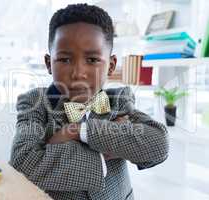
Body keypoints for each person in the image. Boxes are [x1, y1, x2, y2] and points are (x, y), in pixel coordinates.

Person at [10, 3, 169, 200]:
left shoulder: (118, 101)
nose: (78, 73)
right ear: (48, 64)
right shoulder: (35, 102)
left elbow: (158, 145)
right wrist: (109, 148)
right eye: (65, 60)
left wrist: (78, 131)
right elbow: (23, 162)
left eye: (92, 60)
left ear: (111, 66)